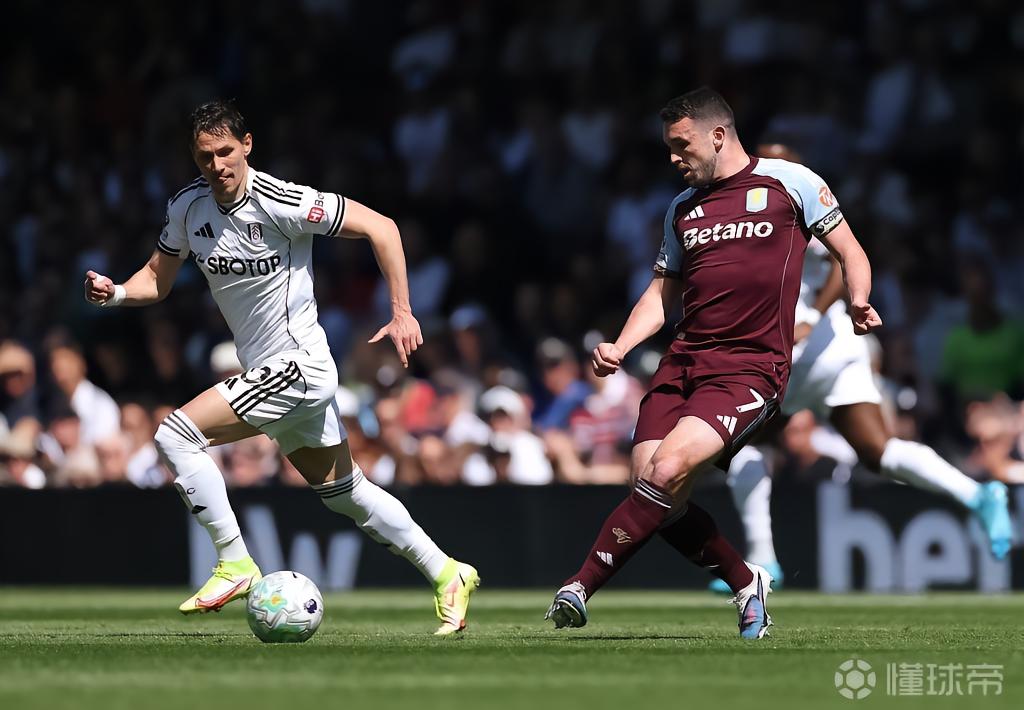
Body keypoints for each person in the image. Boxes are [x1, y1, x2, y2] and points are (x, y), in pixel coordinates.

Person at [83, 100, 478, 635]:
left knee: (175, 436)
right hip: (272, 373)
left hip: (299, 366)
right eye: (205, 157)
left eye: (226, 151)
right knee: (347, 493)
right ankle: (448, 571)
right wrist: (115, 293)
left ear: (247, 146)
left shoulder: (282, 201)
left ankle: (235, 562)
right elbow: (158, 277)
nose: (217, 165)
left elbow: (382, 227)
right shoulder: (187, 208)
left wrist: (402, 311)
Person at [545, 87, 881, 639]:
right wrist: (621, 345)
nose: (673, 157)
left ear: (718, 135)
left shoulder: (790, 182)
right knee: (653, 491)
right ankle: (748, 583)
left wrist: (860, 299)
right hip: (682, 363)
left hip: (750, 368)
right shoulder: (682, 208)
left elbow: (851, 250)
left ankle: (579, 587)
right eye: (668, 146)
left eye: (682, 144)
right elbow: (661, 295)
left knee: (665, 473)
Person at [709, 142, 1014, 594]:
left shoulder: (794, 201)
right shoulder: (765, 208)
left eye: (781, 160)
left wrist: (811, 314)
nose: (772, 167)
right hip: (834, 349)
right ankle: (977, 494)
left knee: (745, 448)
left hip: (805, 351)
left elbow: (840, 261)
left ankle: (762, 560)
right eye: (766, 159)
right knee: (878, 451)